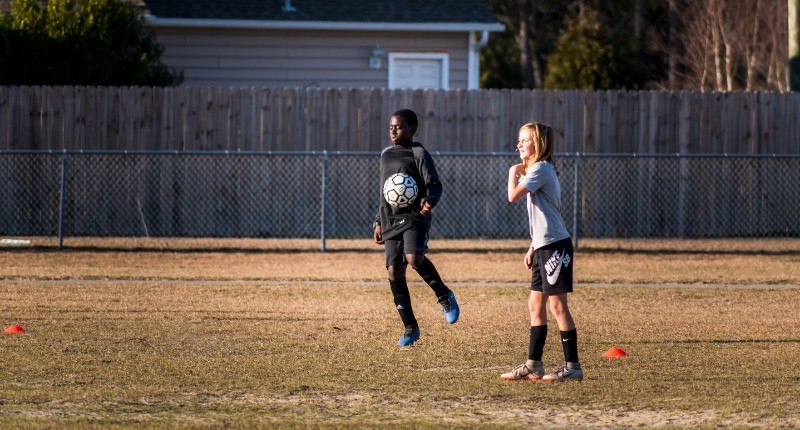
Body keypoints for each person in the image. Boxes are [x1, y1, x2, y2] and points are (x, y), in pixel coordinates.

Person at [501, 122, 582, 382]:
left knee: (557, 306)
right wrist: (533, 246)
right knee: (535, 305)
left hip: (555, 246)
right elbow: (543, 215)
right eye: (519, 140)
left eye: (525, 140)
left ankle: (572, 367)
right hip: (543, 246)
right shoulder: (540, 169)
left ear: (539, 143)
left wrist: (513, 172)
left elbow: (513, 196)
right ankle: (533, 365)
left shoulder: (541, 169)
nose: (519, 145)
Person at [373, 109, 459, 347]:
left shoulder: (418, 153)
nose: (393, 131)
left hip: (414, 216)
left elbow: (435, 184)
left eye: (399, 127)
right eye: (391, 127)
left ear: (412, 129)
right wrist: (378, 221)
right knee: (394, 271)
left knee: (414, 258)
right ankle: (410, 327)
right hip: (390, 218)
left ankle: (444, 295)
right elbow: (384, 191)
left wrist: (429, 199)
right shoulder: (386, 155)